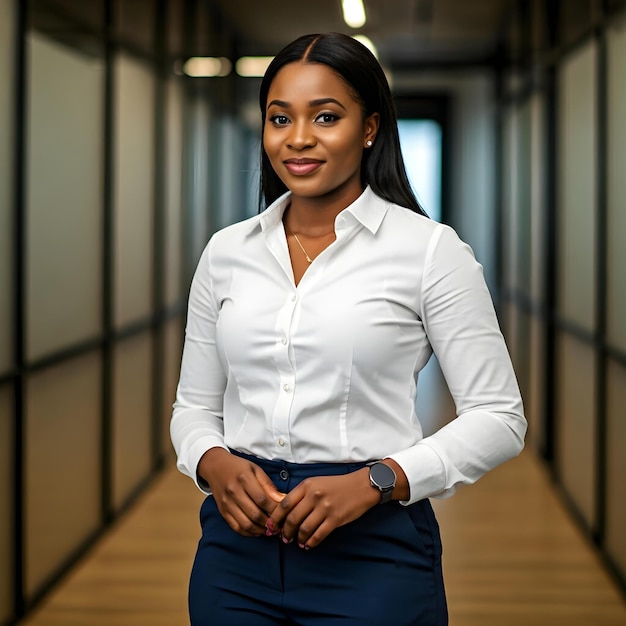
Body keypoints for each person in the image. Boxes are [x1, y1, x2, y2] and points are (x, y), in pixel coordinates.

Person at [171, 32, 526, 626]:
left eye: (326, 116)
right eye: (279, 117)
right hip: (237, 555)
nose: (299, 138)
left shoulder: (429, 251)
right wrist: (212, 461)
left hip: (374, 548)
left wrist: (378, 480)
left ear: (370, 128)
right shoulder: (226, 252)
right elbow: (193, 405)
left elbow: (499, 416)